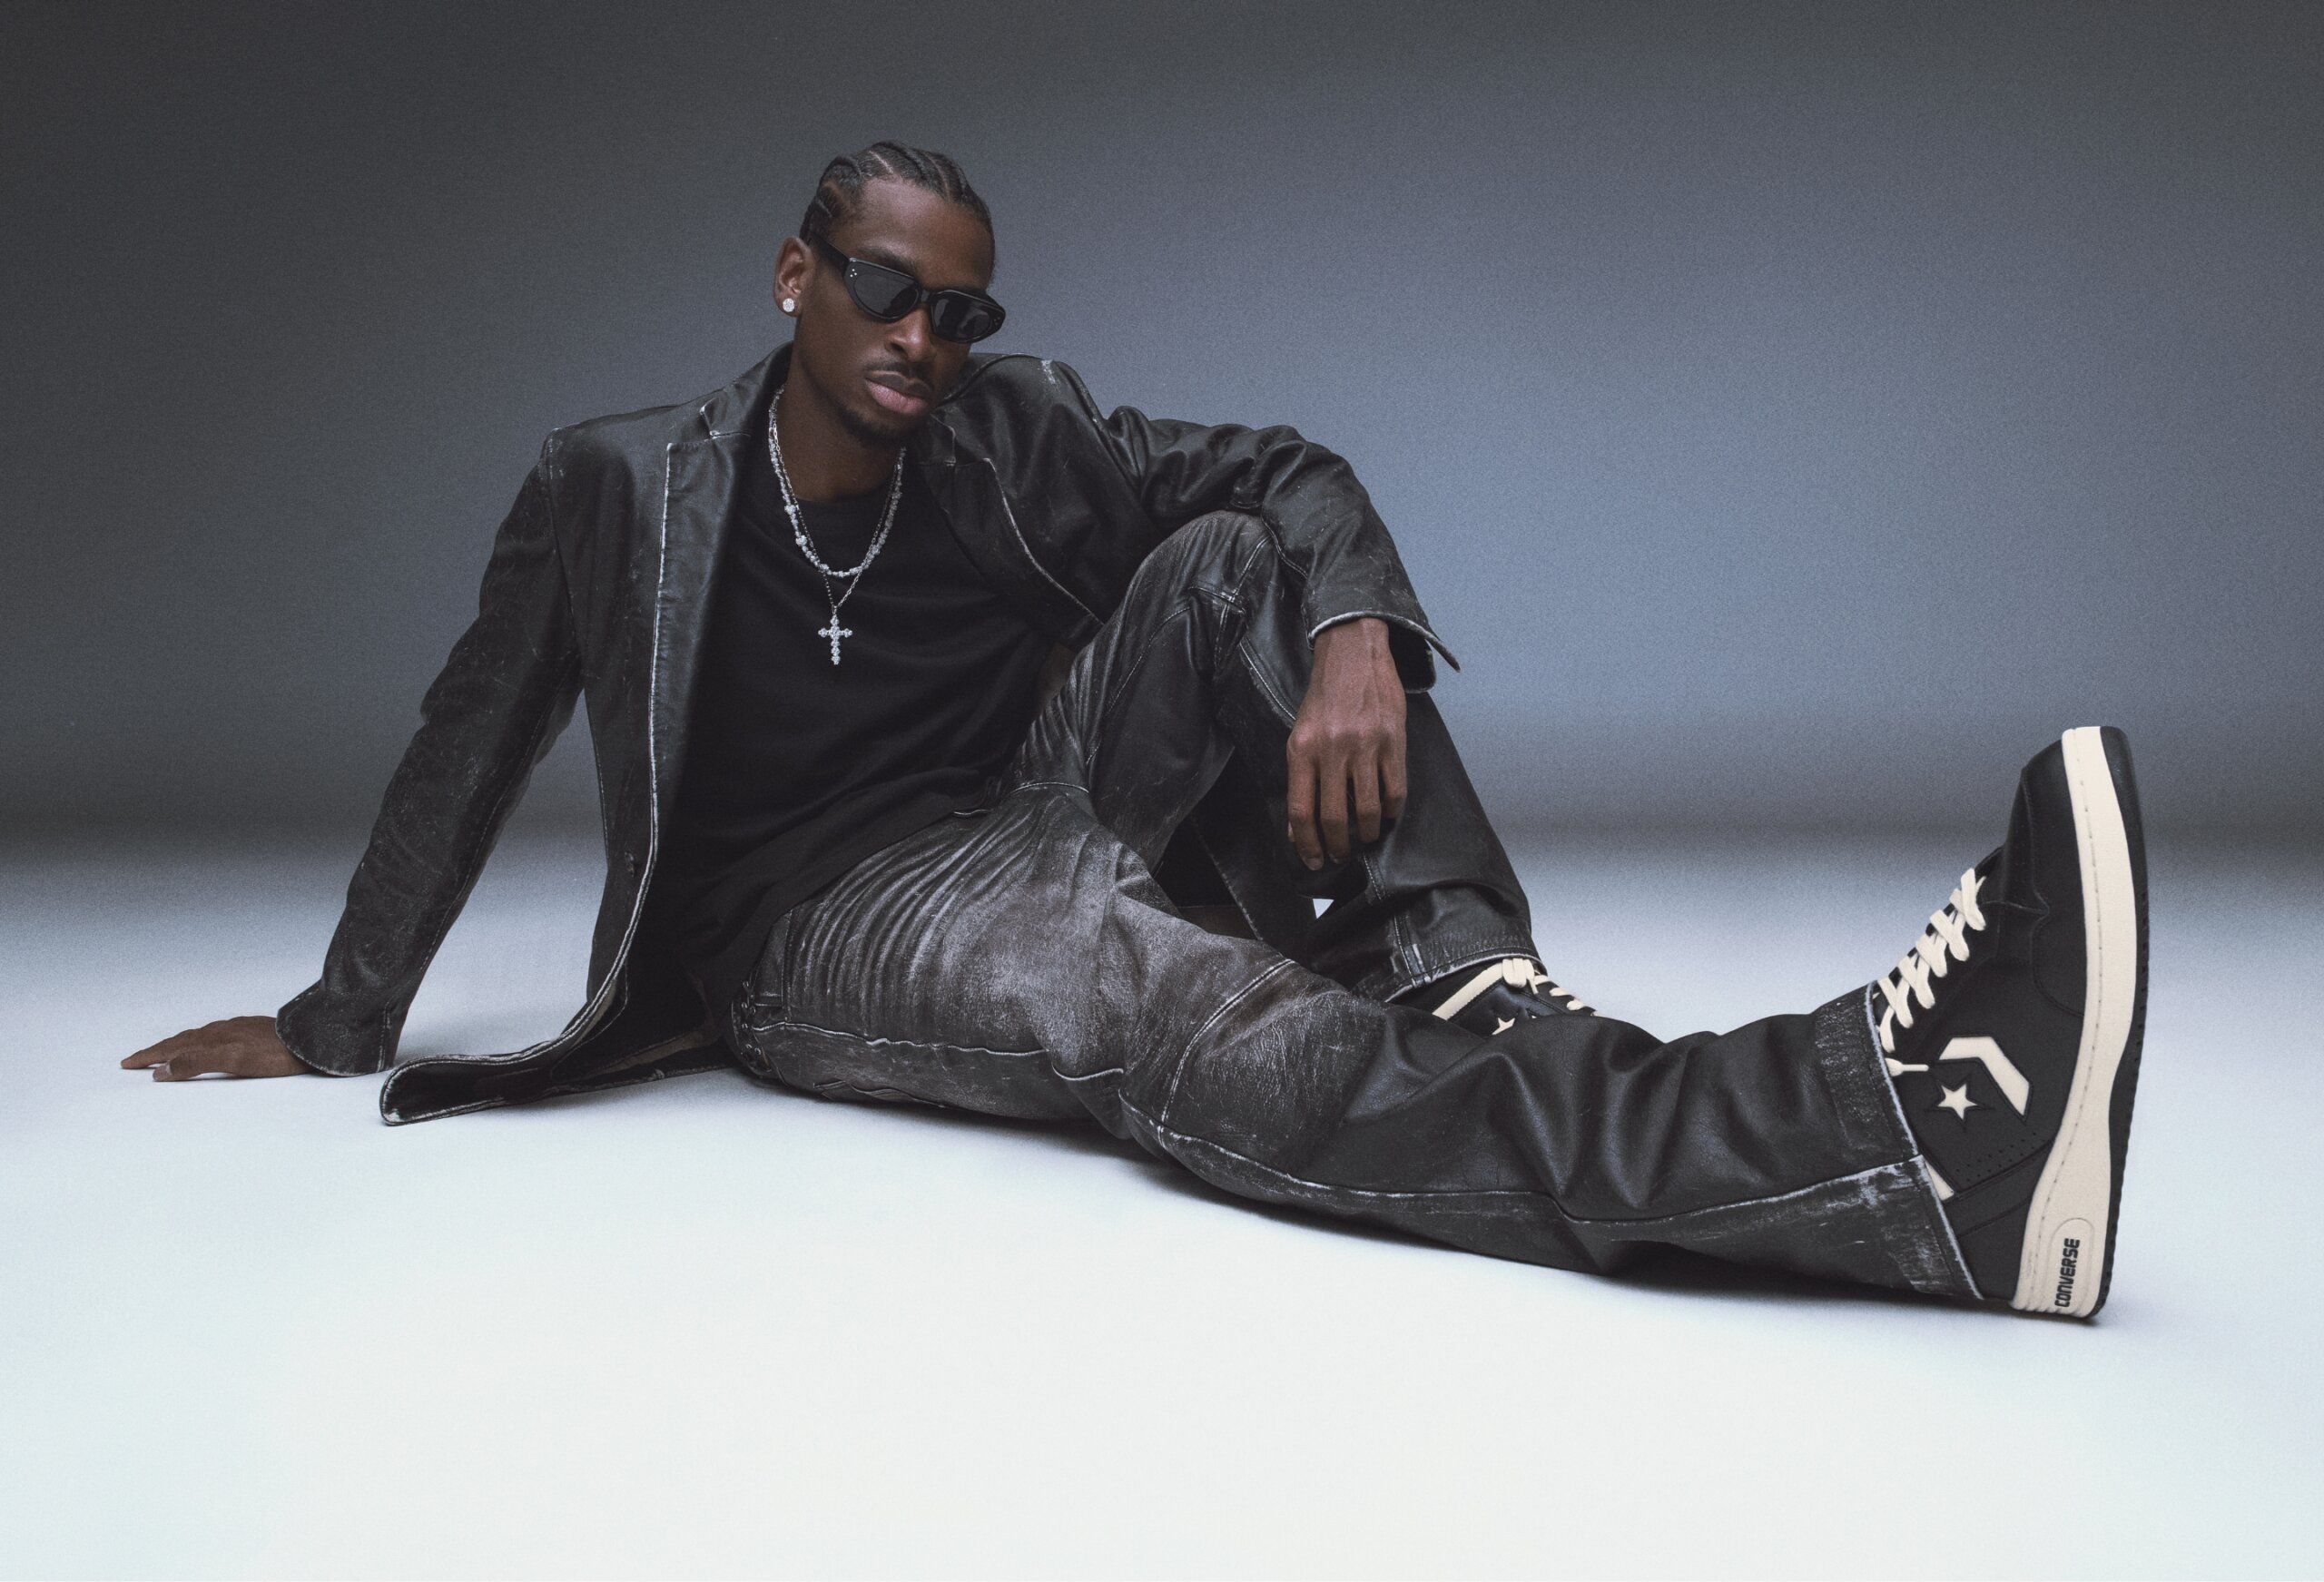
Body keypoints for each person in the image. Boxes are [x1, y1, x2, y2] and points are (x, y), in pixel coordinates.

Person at [122, 141, 2150, 1319]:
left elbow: (1277, 464)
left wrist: (1352, 621)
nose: (925, 344)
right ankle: (1881, 1140)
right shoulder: (618, 485)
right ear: (793, 277)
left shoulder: (1000, 429)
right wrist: (336, 1011)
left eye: (959, 313)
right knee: (1151, 997)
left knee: (1235, 556)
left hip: (1039, 781)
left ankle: (1468, 982)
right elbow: (472, 729)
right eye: (886, 294)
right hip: (821, 920)